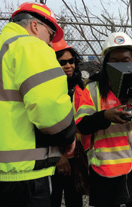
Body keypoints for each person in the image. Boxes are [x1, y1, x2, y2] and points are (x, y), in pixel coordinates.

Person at [0, 2, 76, 207]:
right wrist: (69, 135)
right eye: (51, 35)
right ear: (36, 26)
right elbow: (50, 109)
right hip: (26, 176)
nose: (50, 43)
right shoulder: (31, 46)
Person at [73, 32, 132, 207]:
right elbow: (82, 125)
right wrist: (105, 116)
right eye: (114, 61)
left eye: (125, 60)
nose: (120, 65)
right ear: (106, 63)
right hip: (107, 168)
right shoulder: (93, 89)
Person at [50, 39, 84, 207]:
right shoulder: (48, 89)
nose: (69, 66)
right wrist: (58, 156)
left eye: (72, 61)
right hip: (54, 157)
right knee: (52, 198)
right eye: (62, 62)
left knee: (75, 200)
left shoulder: (81, 87)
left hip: (76, 155)